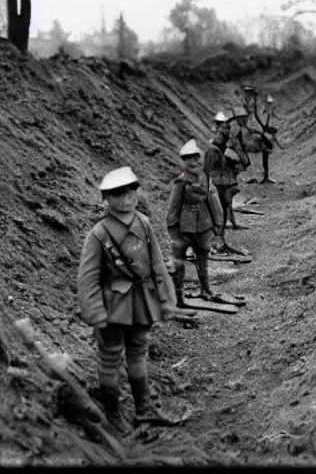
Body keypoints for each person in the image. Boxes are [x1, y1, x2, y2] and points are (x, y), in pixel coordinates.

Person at [77, 166, 183, 434]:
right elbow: (87, 277)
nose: (127, 198)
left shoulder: (144, 224)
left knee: (138, 351)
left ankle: (143, 410)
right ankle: (113, 415)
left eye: (131, 191)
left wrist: (167, 299)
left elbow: (157, 264)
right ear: (106, 199)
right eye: (118, 194)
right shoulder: (99, 234)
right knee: (110, 357)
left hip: (142, 300)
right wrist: (94, 312)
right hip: (113, 305)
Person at [166, 139, 224, 304]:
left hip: (204, 223)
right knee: (179, 262)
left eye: (197, 158)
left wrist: (218, 223)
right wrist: (173, 231)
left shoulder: (205, 178)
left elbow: (213, 200)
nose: (195, 162)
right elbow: (173, 207)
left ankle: (205, 290)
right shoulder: (181, 182)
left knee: (203, 257)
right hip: (185, 226)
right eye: (190, 159)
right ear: (184, 162)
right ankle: (178, 296)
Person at [203, 111, 242, 237]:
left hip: (225, 181)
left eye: (226, 128)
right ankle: (217, 236)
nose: (223, 131)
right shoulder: (213, 146)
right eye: (221, 128)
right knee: (216, 209)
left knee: (223, 207)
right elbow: (207, 167)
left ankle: (220, 236)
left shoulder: (228, 143)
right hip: (215, 181)